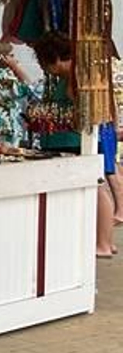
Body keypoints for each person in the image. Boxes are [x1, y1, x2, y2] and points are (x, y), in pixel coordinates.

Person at [31, 32, 117, 257]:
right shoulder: (69, 76)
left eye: (43, 62)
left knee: (97, 188)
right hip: (70, 139)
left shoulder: (78, 76)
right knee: (96, 188)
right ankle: (102, 239)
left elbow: (86, 112)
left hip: (78, 140)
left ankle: (104, 242)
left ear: (55, 58)